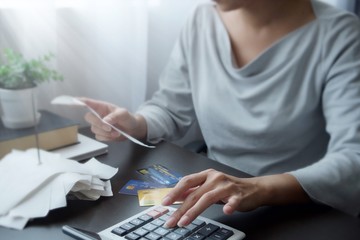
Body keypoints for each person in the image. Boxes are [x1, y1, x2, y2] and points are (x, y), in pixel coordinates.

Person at [82, 0, 360, 228]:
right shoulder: (202, 20)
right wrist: (136, 123)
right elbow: (169, 107)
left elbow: (353, 159)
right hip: (219, 203)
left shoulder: (341, 37)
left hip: (304, 210)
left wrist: (256, 189)